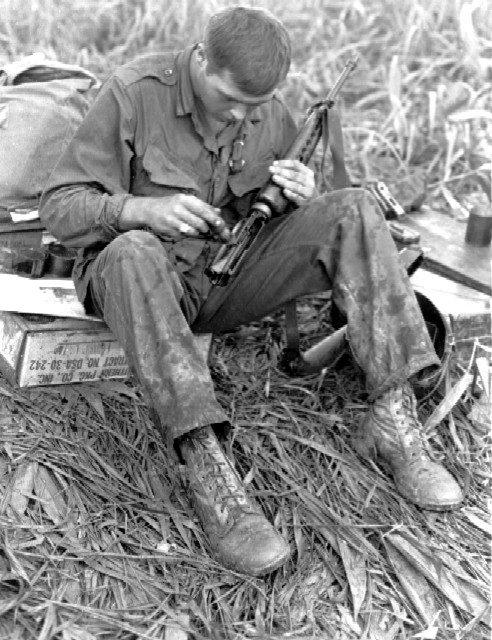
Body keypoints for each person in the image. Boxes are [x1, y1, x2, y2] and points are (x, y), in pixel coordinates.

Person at [39, 6, 463, 578]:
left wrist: (301, 193)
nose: (241, 114)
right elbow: (60, 207)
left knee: (354, 207)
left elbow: (282, 210)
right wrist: (139, 209)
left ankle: (393, 419)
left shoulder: (267, 111)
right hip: (144, 281)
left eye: (256, 105)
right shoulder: (134, 95)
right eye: (231, 98)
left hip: (227, 277)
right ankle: (206, 462)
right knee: (132, 249)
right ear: (200, 60)